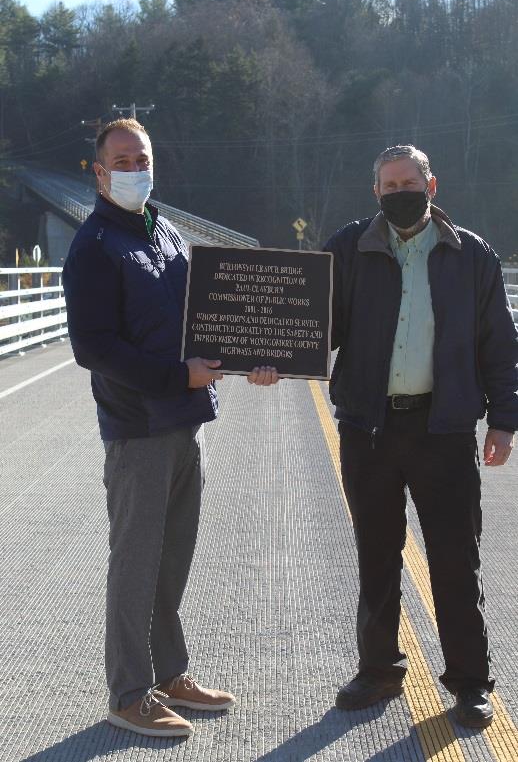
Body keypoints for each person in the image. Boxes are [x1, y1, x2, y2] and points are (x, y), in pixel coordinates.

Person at [63, 118, 278, 739]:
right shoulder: (96, 245)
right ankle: (130, 690)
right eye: (122, 161)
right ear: (100, 173)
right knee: (136, 562)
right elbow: (94, 348)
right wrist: (173, 379)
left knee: (173, 557)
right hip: (139, 427)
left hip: (188, 421)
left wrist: (254, 356)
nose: (135, 169)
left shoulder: (170, 234)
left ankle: (170, 671)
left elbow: (210, 321)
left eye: (143, 157)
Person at [324, 145, 517, 728]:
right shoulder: (349, 249)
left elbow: (499, 345)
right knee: (376, 556)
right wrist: (267, 358)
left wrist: (505, 421)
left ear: (432, 185)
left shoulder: (471, 255)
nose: (399, 191)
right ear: (375, 192)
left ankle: (469, 682)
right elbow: (311, 325)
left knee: (455, 560)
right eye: (388, 184)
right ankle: (379, 667)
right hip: (369, 428)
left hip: (444, 428)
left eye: (409, 181)